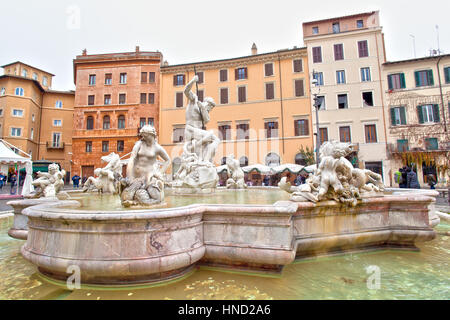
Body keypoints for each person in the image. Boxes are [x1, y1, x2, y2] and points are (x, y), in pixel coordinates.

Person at [184, 75, 220, 163]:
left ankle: (205, 159)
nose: (210, 109)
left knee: (209, 142)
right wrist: (193, 81)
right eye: (210, 107)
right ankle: (206, 159)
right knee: (215, 139)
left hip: (196, 132)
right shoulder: (194, 101)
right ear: (207, 103)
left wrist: (203, 109)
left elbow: (207, 120)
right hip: (191, 129)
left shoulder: (204, 112)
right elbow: (186, 91)